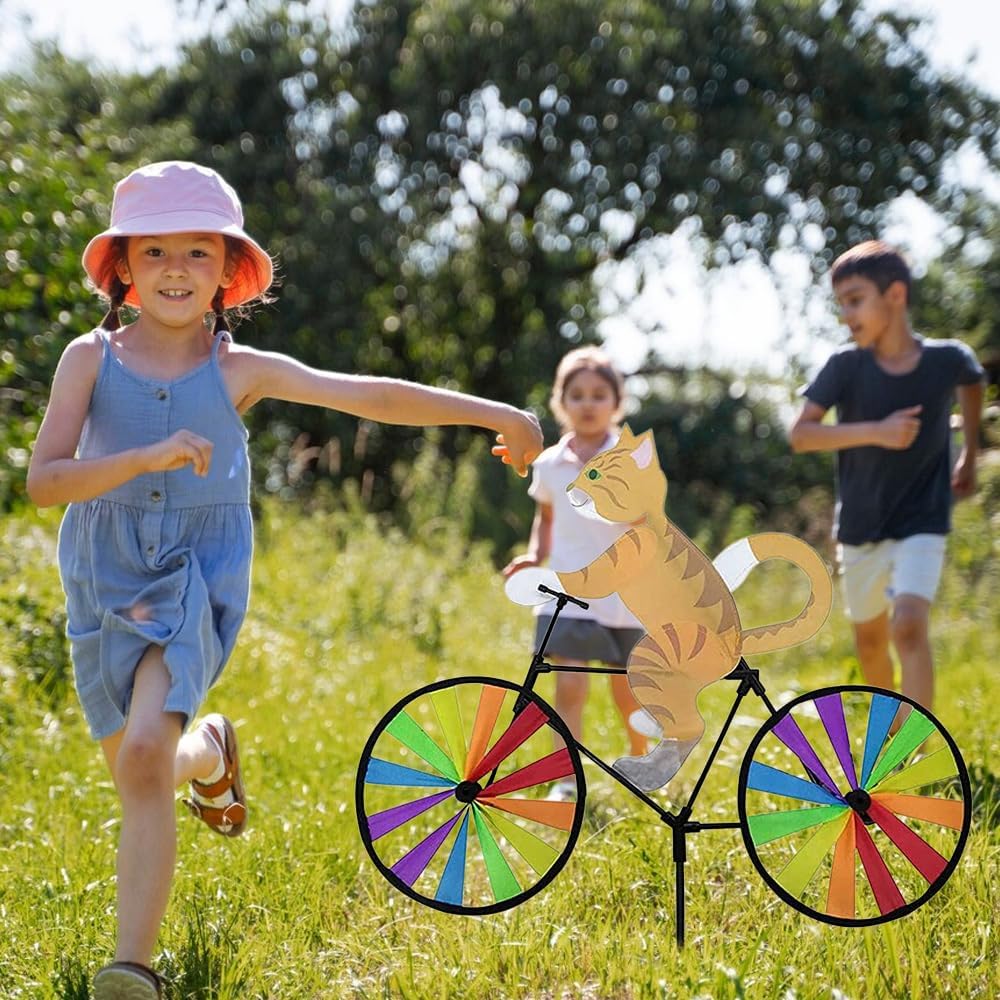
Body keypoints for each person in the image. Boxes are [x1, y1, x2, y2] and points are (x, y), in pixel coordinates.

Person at [26, 160, 542, 1000]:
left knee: (147, 754)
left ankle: (131, 969)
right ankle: (214, 753)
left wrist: (492, 412)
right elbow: (44, 482)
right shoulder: (89, 361)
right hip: (104, 576)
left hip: (192, 575)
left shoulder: (240, 372)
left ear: (228, 272)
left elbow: (367, 395)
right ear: (122, 266)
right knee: (143, 764)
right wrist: (144, 457)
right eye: (155, 251)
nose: (176, 270)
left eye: (198, 252)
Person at [790, 240, 984, 715]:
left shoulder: (946, 360)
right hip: (861, 527)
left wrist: (971, 454)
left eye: (855, 300)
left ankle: (919, 744)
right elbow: (801, 436)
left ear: (895, 295)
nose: (846, 315)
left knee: (909, 626)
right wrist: (877, 431)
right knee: (872, 643)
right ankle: (890, 731)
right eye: (841, 304)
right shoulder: (844, 367)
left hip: (923, 518)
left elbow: (973, 382)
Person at [502, 347, 650, 798]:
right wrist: (533, 556)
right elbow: (546, 519)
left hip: (623, 595)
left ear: (616, 403)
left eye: (599, 395)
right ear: (560, 402)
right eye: (578, 395)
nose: (588, 403)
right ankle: (566, 780)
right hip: (564, 591)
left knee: (628, 691)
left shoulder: (630, 458)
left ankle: (642, 762)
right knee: (569, 687)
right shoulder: (548, 464)